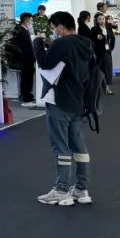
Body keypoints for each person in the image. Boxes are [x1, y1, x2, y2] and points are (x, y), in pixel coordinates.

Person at [34, 11, 94, 206]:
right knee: (79, 147)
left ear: (60, 26)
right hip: (78, 101)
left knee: (60, 147)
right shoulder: (85, 43)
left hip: (59, 100)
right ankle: (81, 189)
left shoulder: (62, 43)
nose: (54, 31)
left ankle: (61, 190)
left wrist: (37, 44)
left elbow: (45, 63)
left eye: (54, 28)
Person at [14, 12, 37, 105]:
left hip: (27, 59)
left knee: (28, 78)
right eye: (31, 20)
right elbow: (24, 47)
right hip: (25, 59)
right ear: (26, 20)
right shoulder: (21, 31)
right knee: (26, 78)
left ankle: (28, 96)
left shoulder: (23, 30)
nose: (32, 22)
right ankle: (26, 98)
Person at [90, 13, 113, 96]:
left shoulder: (108, 27)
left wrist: (111, 48)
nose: (102, 20)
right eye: (99, 19)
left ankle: (107, 88)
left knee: (108, 69)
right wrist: (96, 38)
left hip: (107, 52)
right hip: (99, 52)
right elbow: (91, 40)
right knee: (99, 70)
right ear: (96, 20)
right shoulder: (94, 29)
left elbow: (112, 38)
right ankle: (97, 88)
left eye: (103, 19)